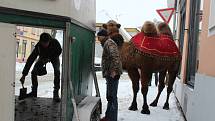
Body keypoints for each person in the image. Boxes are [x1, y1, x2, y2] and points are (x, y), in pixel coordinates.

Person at [19, 32, 62, 102]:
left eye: (46, 43)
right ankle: (34, 92)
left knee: (57, 71)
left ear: (49, 41)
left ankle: (56, 93)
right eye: (43, 43)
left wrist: (50, 58)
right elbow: (30, 60)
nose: (44, 45)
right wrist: (24, 75)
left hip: (54, 57)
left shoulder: (55, 42)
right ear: (40, 42)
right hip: (43, 58)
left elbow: (59, 51)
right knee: (33, 72)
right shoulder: (38, 47)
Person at [97, 29, 122, 121]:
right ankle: (109, 117)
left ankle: (111, 118)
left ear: (103, 36)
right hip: (110, 74)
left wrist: (114, 71)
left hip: (113, 74)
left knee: (112, 97)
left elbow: (115, 56)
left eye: (99, 36)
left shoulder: (109, 43)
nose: (98, 38)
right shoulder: (107, 43)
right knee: (110, 96)